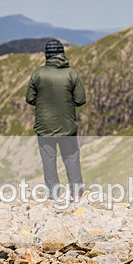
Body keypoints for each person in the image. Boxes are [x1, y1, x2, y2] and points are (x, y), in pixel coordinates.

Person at [25, 39, 86, 201]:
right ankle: (77, 193)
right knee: (71, 157)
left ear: (47, 55)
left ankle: (53, 194)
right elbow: (80, 100)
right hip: (67, 126)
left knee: (49, 160)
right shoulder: (71, 74)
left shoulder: (38, 73)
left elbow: (30, 99)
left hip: (44, 126)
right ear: (62, 54)